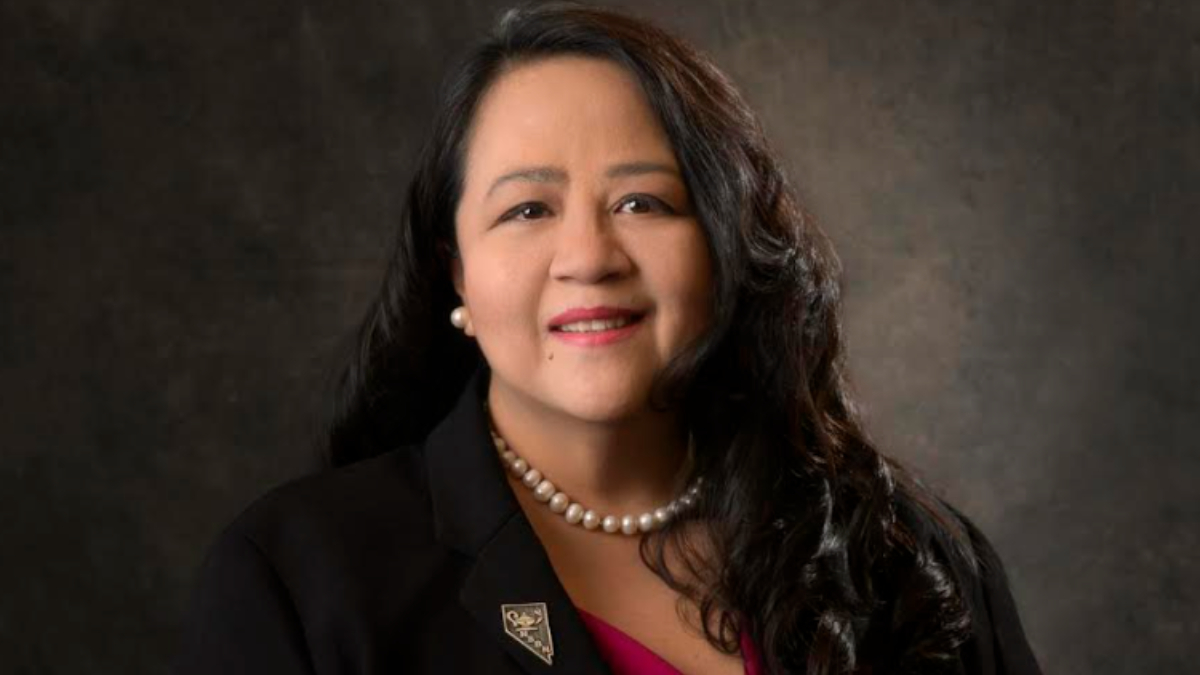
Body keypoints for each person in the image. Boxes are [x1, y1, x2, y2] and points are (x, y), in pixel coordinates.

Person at [174, 3, 1043, 674]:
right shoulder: (299, 581)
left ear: (723, 245)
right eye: (527, 209)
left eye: (642, 202)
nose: (589, 257)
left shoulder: (911, 562)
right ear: (456, 273)